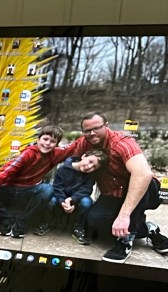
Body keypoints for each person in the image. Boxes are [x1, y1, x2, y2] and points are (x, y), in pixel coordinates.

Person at [58, 112, 168, 263]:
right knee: (94, 223)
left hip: (144, 191)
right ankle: (148, 229)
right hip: (113, 193)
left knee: (140, 184)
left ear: (106, 126)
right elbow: (61, 154)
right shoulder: (84, 142)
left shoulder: (121, 142)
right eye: (87, 130)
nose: (92, 133)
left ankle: (125, 241)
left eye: (96, 128)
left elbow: (143, 174)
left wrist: (123, 217)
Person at [0, 125, 65, 238]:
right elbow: (5, 172)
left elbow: (75, 147)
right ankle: (6, 220)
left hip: (28, 191)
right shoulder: (27, 154)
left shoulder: (56, 154)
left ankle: (21, 224)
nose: (48, 143)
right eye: (45, 139)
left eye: (52, 141)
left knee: (48, 189)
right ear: (38, 139)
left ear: (57, 145)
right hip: (8, 189)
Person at [33, 149, 106, 244]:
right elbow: (57, 187)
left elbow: (86, 190)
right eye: (90, 161)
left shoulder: (90, 175)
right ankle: (46, 222)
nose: (89, 166)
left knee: (87, 202)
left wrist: (72, 199)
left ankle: (78, 227)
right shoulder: (63, 169)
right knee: (51, 201)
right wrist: (63, 201)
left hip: (77, 198)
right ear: (83, 156)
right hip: (60, 197)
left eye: (94, 167)